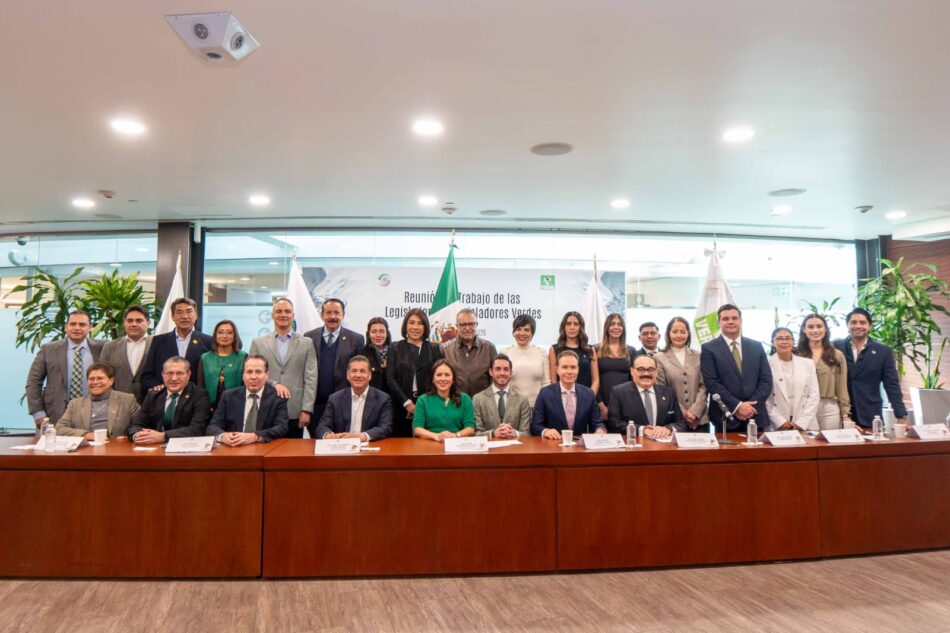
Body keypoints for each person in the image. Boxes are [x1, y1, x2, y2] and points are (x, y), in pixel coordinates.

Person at [248, 298, 317, 439]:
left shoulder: (307, 343)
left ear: (293, 315)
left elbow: (311, 378)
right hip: (266, 407)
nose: (283, 315)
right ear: (272, 315)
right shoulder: (258, 343)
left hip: (295, 410)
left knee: (293, 451)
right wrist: (274, 383)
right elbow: (251, 374)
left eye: (287, 311)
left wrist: (306, 409)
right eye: (279, 311)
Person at [25, 309, 105, 429]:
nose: (77, 328)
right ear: (65, 327)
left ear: (90, 328)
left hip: (96, 414)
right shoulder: (48, 349)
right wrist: (38, 414)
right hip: (56, 414)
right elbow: (33, 382)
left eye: (82, 324)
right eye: (73, 324)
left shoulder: (103, 347)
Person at [700, 304, 772, 432]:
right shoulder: (709, 349)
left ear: (741, 321)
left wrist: (748, 407)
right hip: (726, 418)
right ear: (718, 322)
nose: (730, 322)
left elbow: (766, 380)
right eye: (725, 319)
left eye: (734, 318)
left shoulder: (756, 346)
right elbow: (712, 383)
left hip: (755, 415)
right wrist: (738, 406)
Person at [834, 307, 908, 429]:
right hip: (840, 414)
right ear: (847, 325)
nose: (858, 326)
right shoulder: (835, 347)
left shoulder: (884, 352)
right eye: (854, 322)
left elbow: (891, 385)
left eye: (862, 323)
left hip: (870, 414)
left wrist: (901, 415)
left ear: (870, 326)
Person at [304, 298, 365, 437]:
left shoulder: (356, 339)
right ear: (322, 314)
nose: (333, 317)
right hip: (316, 405)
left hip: (344, 404)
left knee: (343, 442)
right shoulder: (309, 337)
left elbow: (360, 371)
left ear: (343, 314)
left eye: (337, 313)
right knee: (317, 442)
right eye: (328, 312)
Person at [386, 309, 444, 437]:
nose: (415, 327)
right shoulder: (395, 347)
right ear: (405, 325)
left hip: (429, 406)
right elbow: (390, 378)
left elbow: (440, 377)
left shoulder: (434, 349)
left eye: (420, 323)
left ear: (425, 326)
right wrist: (406, 402)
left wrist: (426, 403)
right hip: (400, 406)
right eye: (411, 323)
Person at [207, 355, 289, 444]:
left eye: (258, 372)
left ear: (266, 375)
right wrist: (223, 436)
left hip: (264, 447)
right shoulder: (228, 396)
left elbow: (282, 427)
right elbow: (212, 427)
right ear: (243, 376)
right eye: (249, 372)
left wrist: (256, 436)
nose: (253, 377)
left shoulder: (277, 398)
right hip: (234, 447)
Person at [128, 356, 211, 443]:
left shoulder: (199, 396)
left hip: (184, 446)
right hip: (154, 446)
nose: (174, 378)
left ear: (188, 374)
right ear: (163, 375)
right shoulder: (154, 395)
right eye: (169, 373)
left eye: (179, 373)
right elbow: (135, 425)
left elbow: (197, 429)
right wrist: (138, 436)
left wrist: (163, 436)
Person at [140, 298, 213, 391]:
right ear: (172, 317)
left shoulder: (208, 341)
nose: (185, 316)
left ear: (196, 315)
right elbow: (147, 376)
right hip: (165, 395)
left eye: (189, 311)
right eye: (179, 312)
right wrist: (158, 387)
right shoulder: (158, 341)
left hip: (196, 396)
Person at [607, 353, 686, 438]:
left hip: (663, 444)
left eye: (651, 369)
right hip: (634, 443)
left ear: (656, 372)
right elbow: (614, 423)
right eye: (641, 369)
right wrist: (642, 430)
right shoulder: (619, 392)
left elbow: (681, 423)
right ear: (632, 371)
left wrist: (668, 429)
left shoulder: (669, 393)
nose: (646, 374)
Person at [315, 355, 393, 441]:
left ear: (370, 375)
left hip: (369, 445)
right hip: (342, 446)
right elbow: (322, 426)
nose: (358, 375)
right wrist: (328, 435)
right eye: (354, 371)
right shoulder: (335, 399)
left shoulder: (383, 399)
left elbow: (385, 428)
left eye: (362, 371)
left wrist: (362, 436)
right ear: (347, 375)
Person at [532, 350, 606, 439]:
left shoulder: (588, 394)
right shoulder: (545, 393)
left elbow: (598, 423)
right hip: (553, 443)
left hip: (579, 445)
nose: (569, 371)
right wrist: (545, 431)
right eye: (565, 367)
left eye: (573, 367)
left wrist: (600, 430)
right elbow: (535, 425)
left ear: (578, 370)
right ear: (557, 370)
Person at [55, 362, 140, 440]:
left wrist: (130, 436)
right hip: (86, 449)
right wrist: (86, 435)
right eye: (91, 379)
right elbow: (59, 428)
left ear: (111, 381)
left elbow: (139, 426)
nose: (95, 382)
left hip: (116, 448)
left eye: (100, 378)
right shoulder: (75, 404)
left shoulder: (128, 400)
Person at [795, 313, 851, 430]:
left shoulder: (837, 355)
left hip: (828, 407)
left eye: (819, 326)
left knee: (829, 440)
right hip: (803, 406)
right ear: (804, 330)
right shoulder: (796, 354)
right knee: (805, 440)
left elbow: (842, 387)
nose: (815, 330)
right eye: (810, 327)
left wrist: (845, 414)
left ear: (825, 329)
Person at [655, 317, 709, 432]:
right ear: (668, 334)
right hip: (675, 420)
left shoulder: (698, 355)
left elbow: (704, 386)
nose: (679, 335)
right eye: (675, 332)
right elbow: (662, 390)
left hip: (700, 418)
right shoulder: (659, 358)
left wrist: (695, 411)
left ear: (688, 334)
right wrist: (683, 412)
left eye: (683, 332)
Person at [766, 327, 819, 432]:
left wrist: (802, 422)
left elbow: (814, 394)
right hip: (776, 422)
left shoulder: (807, 363)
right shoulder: (766, 363)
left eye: (788, 338)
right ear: (772, 343)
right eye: (779, 338)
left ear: (793, 342)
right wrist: (779, 421)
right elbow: (764, 397)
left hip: (805, 421)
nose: (784, 342)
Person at [412, 360, 476, 441]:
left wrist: (455, 435)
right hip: (430, 443)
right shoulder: (423, 400)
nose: (443, 379)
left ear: (453, 379)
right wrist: (436, 436)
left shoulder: (465, 399)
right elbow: (417, 429)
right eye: (439, 375)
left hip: (457, 443)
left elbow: (470, 428)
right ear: (433, 379)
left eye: (447, 375)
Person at [99, 305, 152, 402]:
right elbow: (103, 375)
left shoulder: (158, 343)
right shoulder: (110, 347)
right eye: (130, 321)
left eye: (139, 321)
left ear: (148, 323)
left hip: (151, 403)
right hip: (118, 403)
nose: (134, 324)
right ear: (124, 323)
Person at [473, 354, 532, 438]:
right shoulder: (478, 399)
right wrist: (493, 433)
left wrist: (515, 433)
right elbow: (476, 433)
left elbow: (526, 433)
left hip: (514, 445)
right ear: (491, 372)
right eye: (498, 369)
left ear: (511, 372)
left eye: (506, 369)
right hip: (490, 445)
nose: (502, 373)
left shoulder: (522, 399)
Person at [440, 308, 497, 396]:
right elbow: (440, 378)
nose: (467, 328)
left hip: (482, 402)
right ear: (457, 326)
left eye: (471, 324)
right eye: (463, 325)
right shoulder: (445, 349)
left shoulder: (489, 348)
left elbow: (495, 377)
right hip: (454, 401)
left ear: (476, 325)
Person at [501, 314, 550, 407]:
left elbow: (546, 383)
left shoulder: (541, 353)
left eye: (526, 330)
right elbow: (500, 382)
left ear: (532, 333)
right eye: (518, 329)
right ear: (514, 332)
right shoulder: (505, 353)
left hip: (537, 407)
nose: (522, 333)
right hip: (512, 408)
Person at [197, 319, 247, 408]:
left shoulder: (243, 357)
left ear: (235, 336)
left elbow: (246, 385)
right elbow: (200, 386)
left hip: (236, 406)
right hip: (209, 407)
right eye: (220, 332)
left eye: (229, 333)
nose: (224, 336)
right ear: (215, 335)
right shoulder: (205, 357)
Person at [596, 313, 636, 420]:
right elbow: (593, 379)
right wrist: (600, 405)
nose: (616, 327)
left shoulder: (631, 351)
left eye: (619, 324)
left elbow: (634, 380)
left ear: (623, 328)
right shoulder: (596, 349)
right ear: (606, 327)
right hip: (602, 402)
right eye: (612, 324)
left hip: (626, 402)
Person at [548, 311, 599, 395]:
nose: (572, 327)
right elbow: (553, 379)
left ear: (580, 327)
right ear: (564, 327)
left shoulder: (590, 350)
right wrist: (562, 398)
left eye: (576, 324)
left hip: (587, 397)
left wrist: (590, 397)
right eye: (568, 324)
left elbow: (595, 380)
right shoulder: (555, 349)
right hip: (562, 397)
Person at [361, 317, 391, 393]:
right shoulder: (362, 356)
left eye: (382, 331)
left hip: (393, 398)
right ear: (368, 334)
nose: (378, 335)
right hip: (371, 397)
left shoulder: (395, 352)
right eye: (374, 332)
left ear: (387, 334)